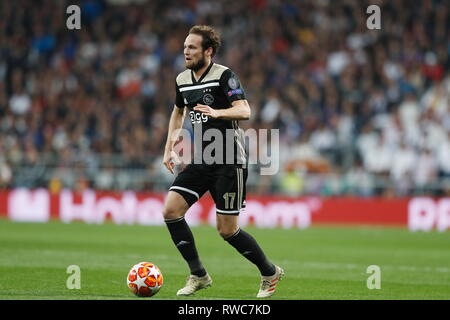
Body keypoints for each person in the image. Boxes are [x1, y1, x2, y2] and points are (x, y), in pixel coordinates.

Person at [162, 25, 284, 298]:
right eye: (184, 47)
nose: (186, 51)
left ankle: (269, 272)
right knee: (171, 210)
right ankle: (198, 274)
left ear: (208, 51)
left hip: (229, 160)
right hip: (201, 159)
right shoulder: (182, 79)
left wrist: (216, 113)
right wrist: (170, 147)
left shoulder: (224, 76)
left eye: (192, 47)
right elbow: (177, 112)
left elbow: (245, 109)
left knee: (226, 230)